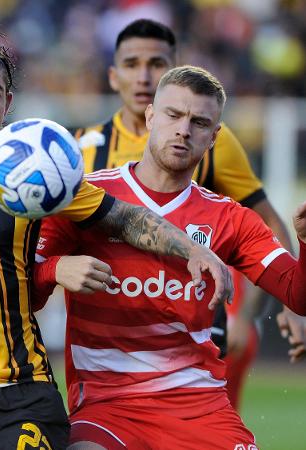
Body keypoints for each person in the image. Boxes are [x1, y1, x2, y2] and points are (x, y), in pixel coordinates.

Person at [0, 33, 233, 450]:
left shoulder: (41, 174)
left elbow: (127, 218)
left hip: (20, 393)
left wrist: (194, 249)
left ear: (8, 102)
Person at [34, 65, 306, 449]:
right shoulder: (86, 198)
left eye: (199, 122)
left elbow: (297, 295)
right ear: (149, 117)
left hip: (199, 406)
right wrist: (55, 270)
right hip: (106, 406)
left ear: (214, 137)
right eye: (173, 115)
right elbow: (24, 290)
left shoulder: (228, 218)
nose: (183, 129)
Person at [73, 19, 305, 407]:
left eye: (156, 64)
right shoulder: (80, 153)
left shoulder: (212, 140)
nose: (144, 75)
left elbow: (259, 221)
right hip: (116, 326)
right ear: (114, 77)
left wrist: (281, 305)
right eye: (132, 64)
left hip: (195, 311)